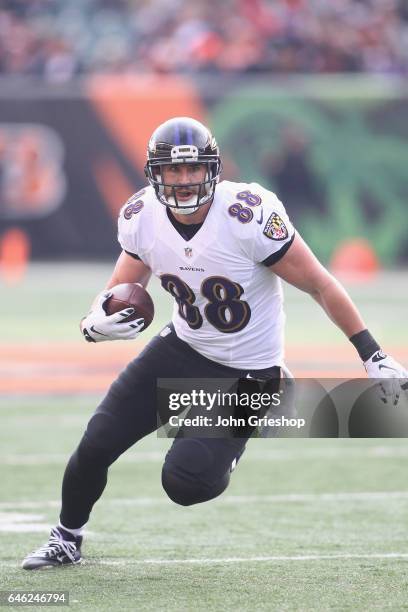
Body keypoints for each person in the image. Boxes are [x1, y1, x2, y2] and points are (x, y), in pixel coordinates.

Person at [22, 116, 407, 569]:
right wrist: (94, 321)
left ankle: (251, 420)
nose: (183, 181)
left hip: (253, 371)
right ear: (154, 172)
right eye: (172, 170)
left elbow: (321, 285)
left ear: (212, 169)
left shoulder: (248, 215)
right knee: (97, 441)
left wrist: (372, 354)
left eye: (192, 169)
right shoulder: (142, 215)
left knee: (185, 481)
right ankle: (66, 538)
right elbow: (119, 289)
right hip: (184, 348)